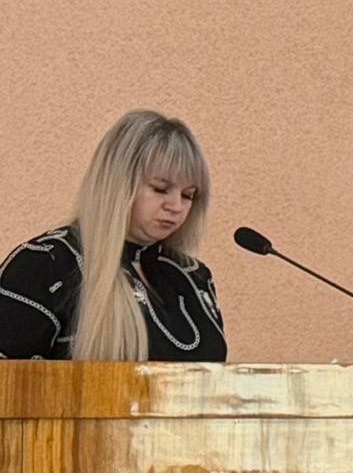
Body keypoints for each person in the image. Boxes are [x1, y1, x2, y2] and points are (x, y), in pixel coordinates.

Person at [0, 109, 224, 362]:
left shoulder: (194, 277)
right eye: (161, 189)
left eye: (188, 195)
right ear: (117, 183)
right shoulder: (46, 264)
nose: (176, 206)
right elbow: (8, 380)